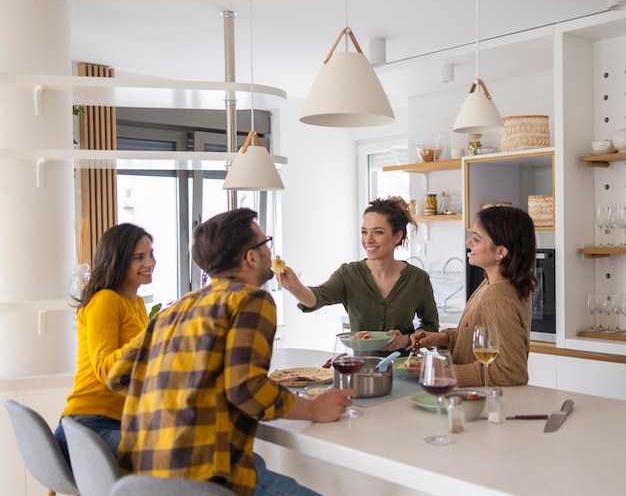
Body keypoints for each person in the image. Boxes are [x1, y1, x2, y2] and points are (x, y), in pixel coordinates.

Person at [107, 208, 352, 496]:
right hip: (204, 478)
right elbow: (246, 389)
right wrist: (313, 408)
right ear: (250, 256)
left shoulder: (175, 310)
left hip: (143, 477)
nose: (269, 251)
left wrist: (183, 397)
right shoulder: (251, 299)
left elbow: (118, 376)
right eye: (265, 243)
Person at [278, 196, 439, 354]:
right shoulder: (348, 274)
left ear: (397, 236)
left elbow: (430, 326)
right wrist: (295, 287)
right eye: (364, 232)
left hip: (403, 369)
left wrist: (406, 340)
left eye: (378, 232)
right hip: (360, 372)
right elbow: (316, 298)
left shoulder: (418, 279)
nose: (368, 240)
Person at [54, 223, 155, 463]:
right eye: (139, 257)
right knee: (179, 456)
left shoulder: (137, 304)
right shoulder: (105, 300)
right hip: (89, 425)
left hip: (118, 422)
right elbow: (106, 369)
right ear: (118, 261)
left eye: (151, 254)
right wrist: (152, 334)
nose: (150, 263)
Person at [409, 205, 538, 387]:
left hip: (485, 404)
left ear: (501, 251)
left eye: (477, 239)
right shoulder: (490, 283)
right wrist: (443, 338)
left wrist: (447, 372)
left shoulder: (498, 298)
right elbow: (483, 338)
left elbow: (511, 371)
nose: (468, 242)